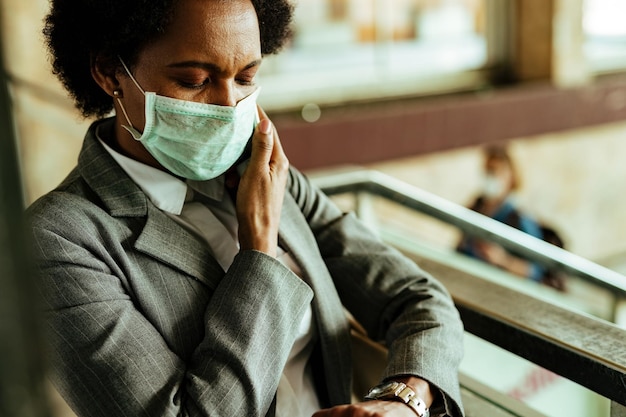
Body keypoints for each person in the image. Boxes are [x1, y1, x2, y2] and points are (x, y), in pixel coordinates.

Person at [27, 0, 465, 416]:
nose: (228, 105)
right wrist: (259, 248)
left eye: (246, 76)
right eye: (195, 80)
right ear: (109, 71)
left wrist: (405, 397)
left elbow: (419, 299)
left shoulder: (268, 175)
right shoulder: (57, 242)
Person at [457, 144, 545, 282]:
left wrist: (502, 260)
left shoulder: (519, 219)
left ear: (510, 177)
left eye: (496, 172)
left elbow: (535, 272)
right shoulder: (475, 209)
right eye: (488, 171)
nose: (491, 177)